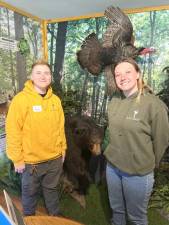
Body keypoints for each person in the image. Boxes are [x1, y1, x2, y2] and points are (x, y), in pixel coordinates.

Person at [104, 58, 169, 225]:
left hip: (138, 173)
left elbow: (161, 140)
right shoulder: (114, 100)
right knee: (116, 209)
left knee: (136, 217)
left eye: (127, 72)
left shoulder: (154, 105)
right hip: (113, 167)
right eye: (118, 74)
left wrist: (147, 161)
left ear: (138, 74)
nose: (122, 77)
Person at [6, 60, 67, 216]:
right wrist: (17, 158)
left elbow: (60, 128)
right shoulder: (21, 100)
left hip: (54, 160)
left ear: (51, 77)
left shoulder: (56, 101)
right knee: (30, 195)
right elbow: (13, 130)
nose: (43, 76)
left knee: (51, 191)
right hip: (31, 163)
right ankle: (29, 219)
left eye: (46, 73)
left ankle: (55, 218)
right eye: (38, 72)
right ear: (31, 76)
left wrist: (63, 149)